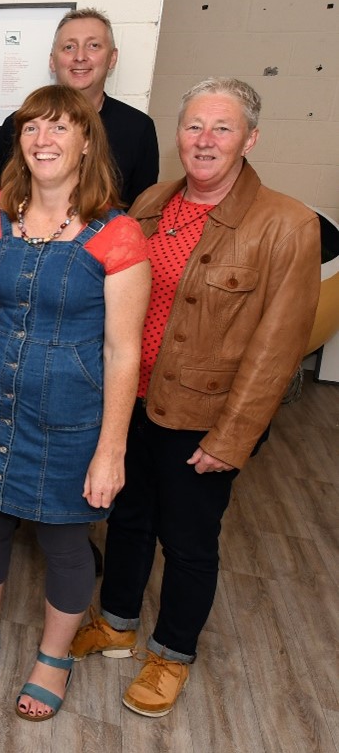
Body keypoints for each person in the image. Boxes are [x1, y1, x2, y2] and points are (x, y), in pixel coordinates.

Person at [71, 78, 319, 718]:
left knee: (187, 542)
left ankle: (172, 653)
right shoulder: (152, 200)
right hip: (134, 401)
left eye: (222, 128)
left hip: (203, 418)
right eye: (193, 127)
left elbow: (277, 348)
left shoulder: (286, 225)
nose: (204, 141)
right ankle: (118, 623)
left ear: (251, 139)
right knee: (127, 521)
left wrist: (232, 438)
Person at [0, 84, 150, 722]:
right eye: (31, 128)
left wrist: (111, 450)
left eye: (59, 128)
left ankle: (53, 657)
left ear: (87, 141)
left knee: (63, 540)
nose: (43, 140)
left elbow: (123, 353)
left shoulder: (119, 234)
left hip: (69, 418)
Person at [0, 8, 158, 204]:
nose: (80, 56)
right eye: (69, 47)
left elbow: (142, 210)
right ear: (52, 61)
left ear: (112, 58)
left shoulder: (138, 128)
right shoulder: (16, 125)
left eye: (93, 46)